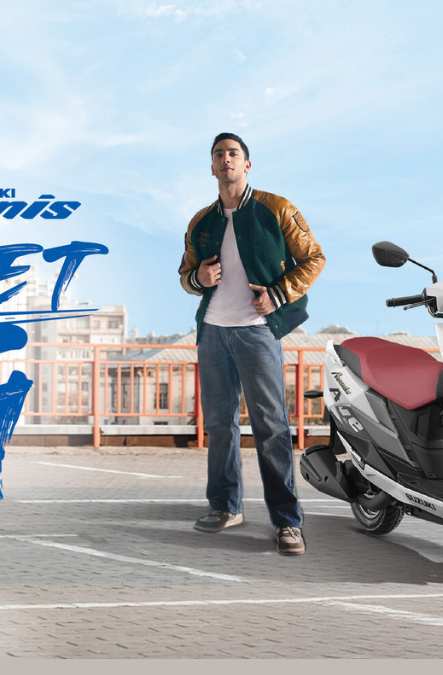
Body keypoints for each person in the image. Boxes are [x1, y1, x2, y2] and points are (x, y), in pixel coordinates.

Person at [177, 132, 325, 555]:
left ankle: (287, 522)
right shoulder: (201, 221)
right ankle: (225, 507)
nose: (226, 160)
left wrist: (277, 295)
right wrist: (198, 280)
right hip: (212, 331)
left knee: (271, 427)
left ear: (247, 165)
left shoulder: (276, 208)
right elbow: (186, 274)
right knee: (220, 425)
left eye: (234, 154)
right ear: (211, 167)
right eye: (219, 154)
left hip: (258, 330)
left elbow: (314, 257)